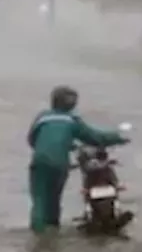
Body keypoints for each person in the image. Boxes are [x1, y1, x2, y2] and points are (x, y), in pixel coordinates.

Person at [27, 85, 128, 234]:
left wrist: (56, 146)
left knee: (39, 200)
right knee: (54, 199)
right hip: (60, 164)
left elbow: (31, 139)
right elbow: (94, 137)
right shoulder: (71, 120)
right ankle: (53, 229)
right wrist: (118, 138)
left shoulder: (42, 117)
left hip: (39, 162)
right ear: (72, 104)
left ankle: (38, 233)